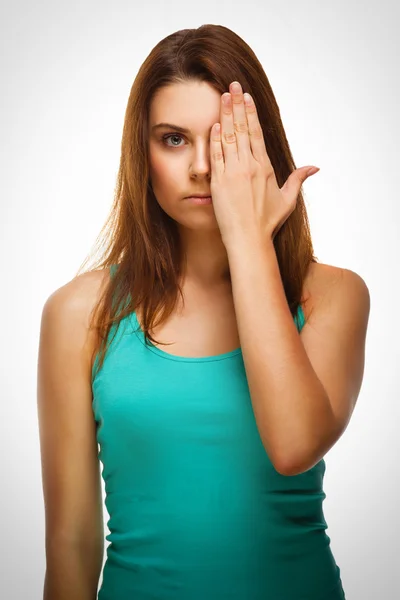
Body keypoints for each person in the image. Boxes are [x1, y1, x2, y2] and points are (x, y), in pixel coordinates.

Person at [37, 24, 370, 600]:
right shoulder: (78, 313)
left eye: (222, 141)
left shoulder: (333, 296)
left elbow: (293, 445)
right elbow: (71, 542)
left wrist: (248, 239)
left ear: (260, 145)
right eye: (172, 139)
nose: (200, 167)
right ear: (141, 153)